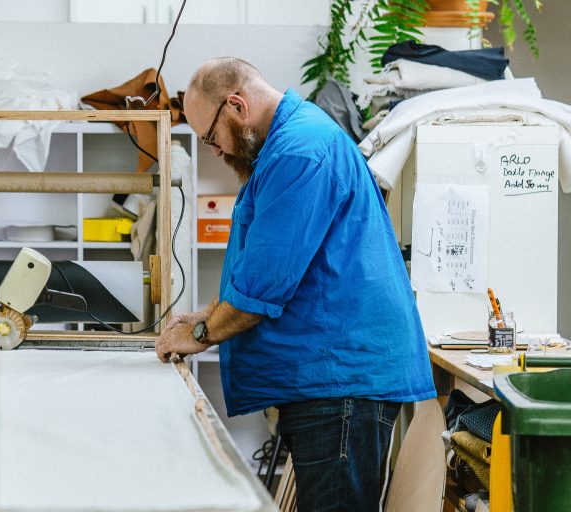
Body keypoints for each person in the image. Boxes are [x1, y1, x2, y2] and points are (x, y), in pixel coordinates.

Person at [155, 57, 436, 512]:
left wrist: (200, 334)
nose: (215, 150)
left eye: (210, 137)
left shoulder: (299, 152)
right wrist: (204, 315)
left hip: (340, 382)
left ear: (237, 105)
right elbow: (266, 272)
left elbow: (261, 292)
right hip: (331, 378)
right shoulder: (284, 146)